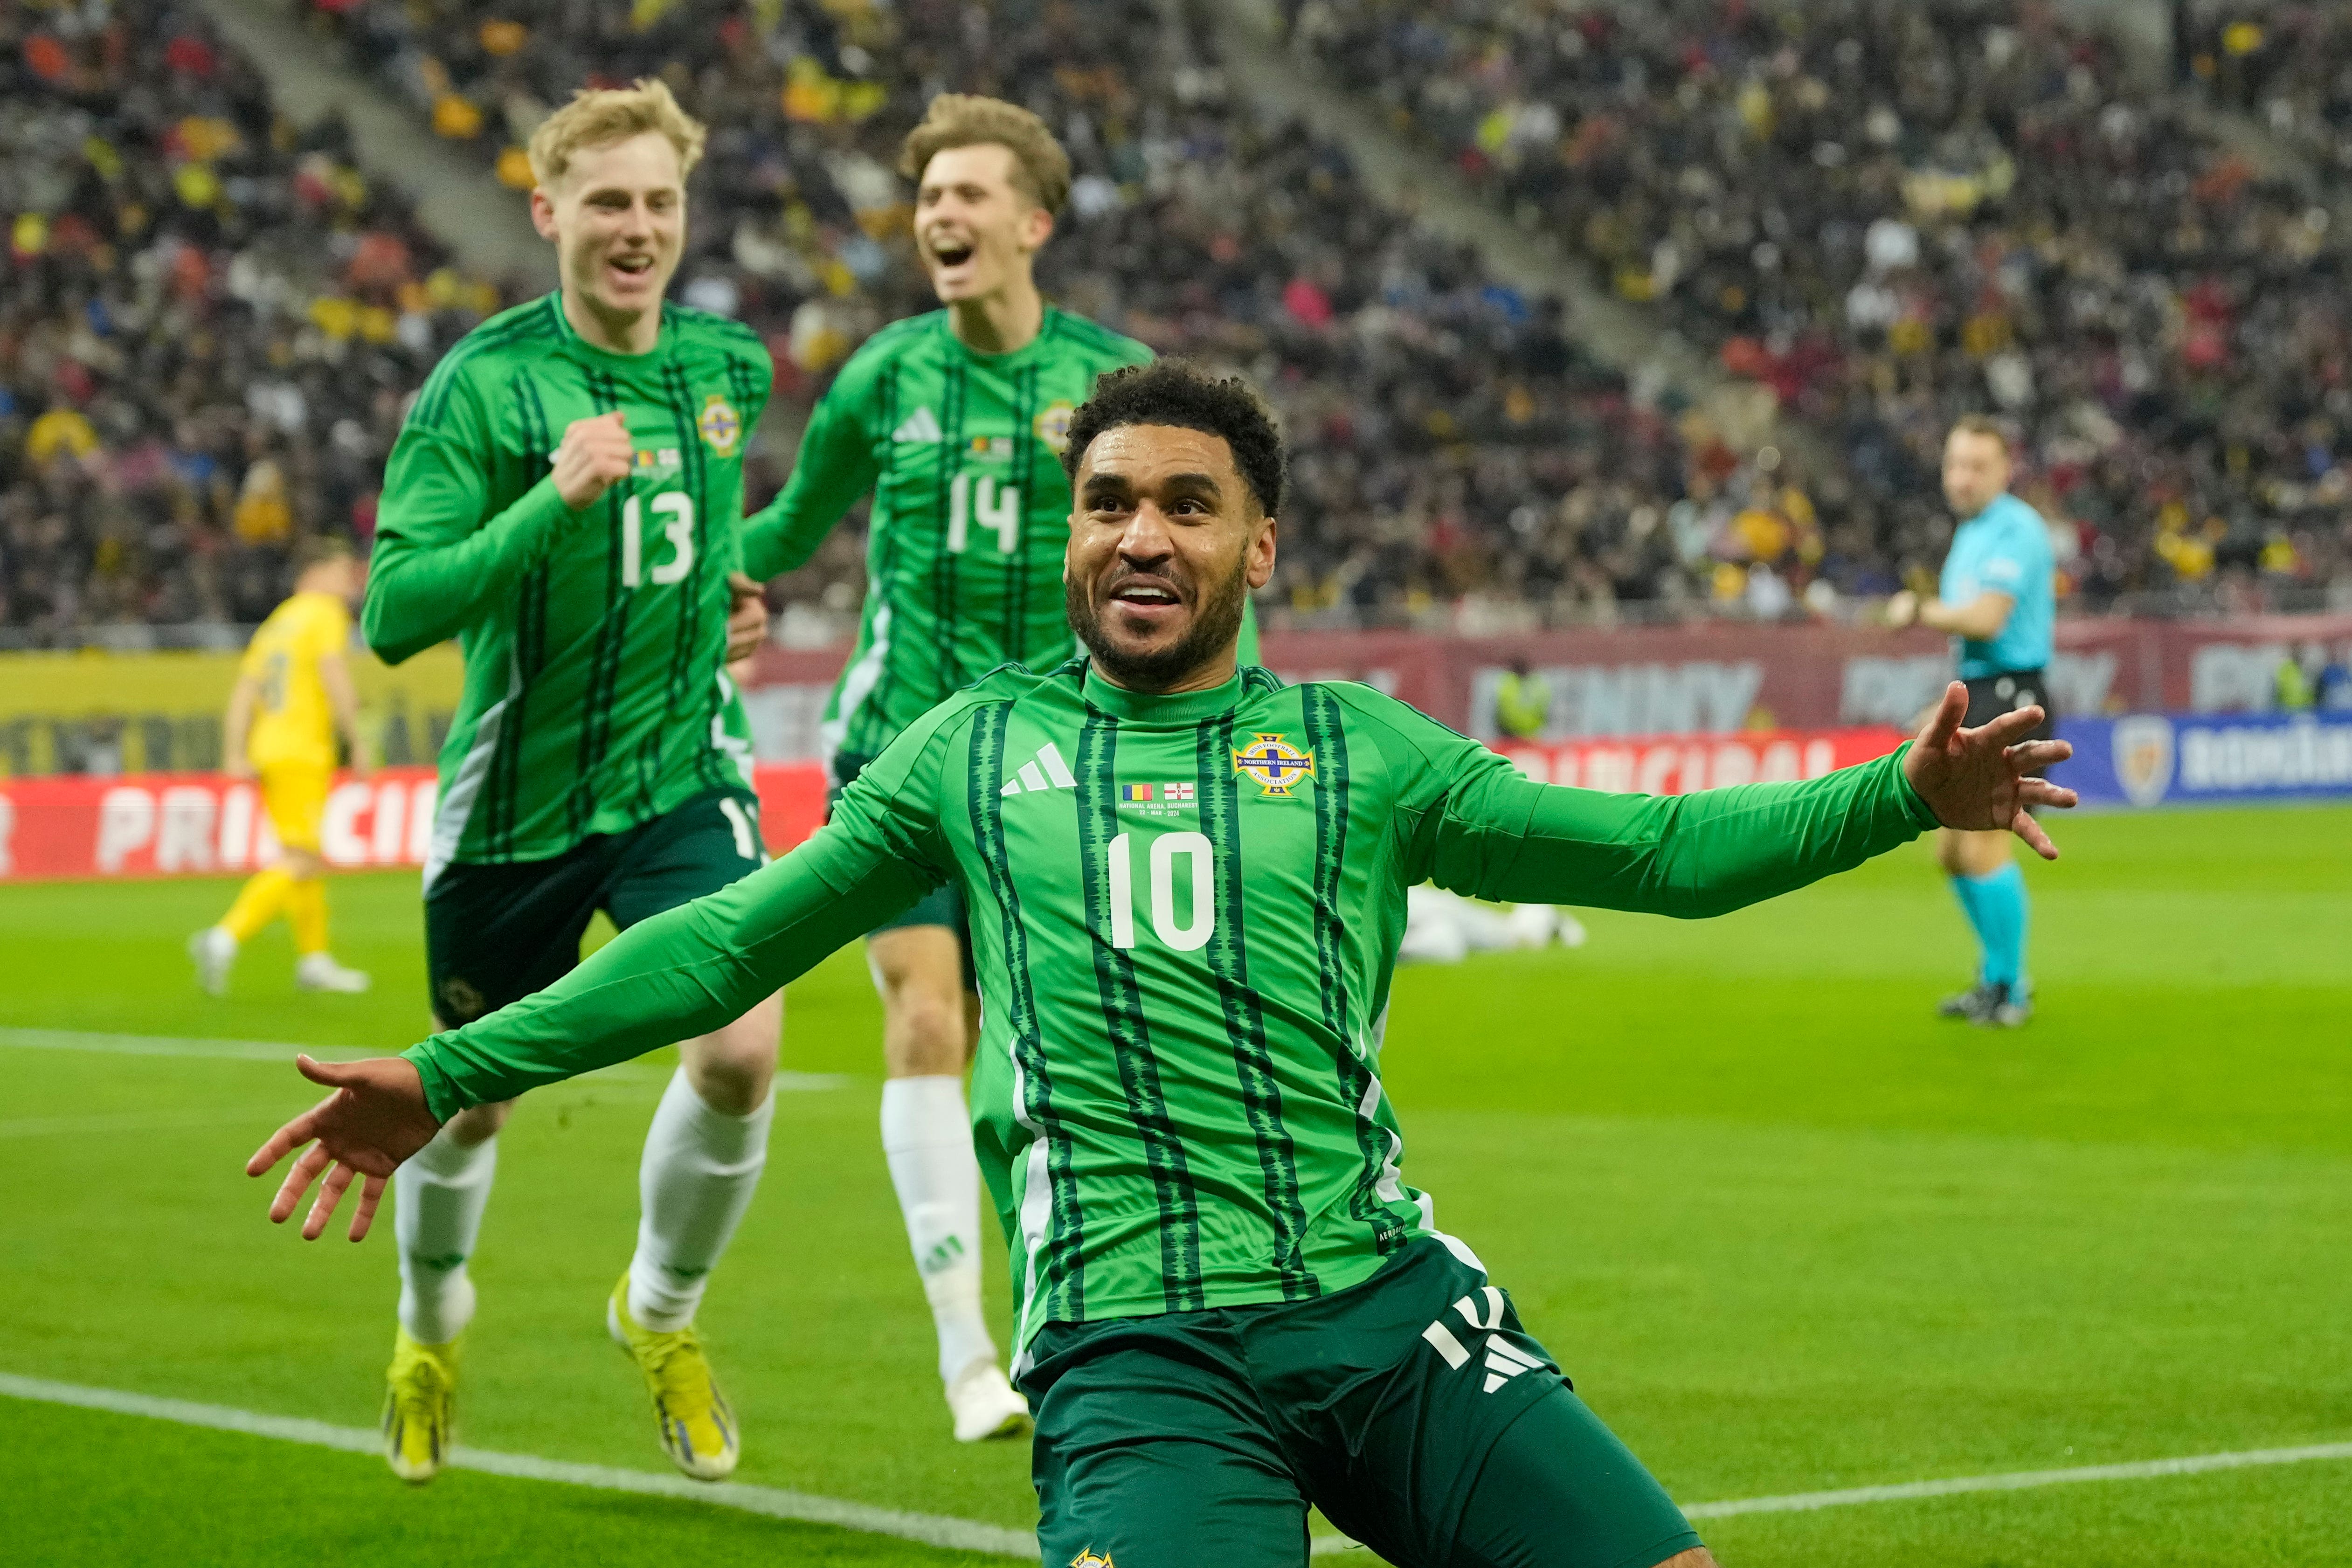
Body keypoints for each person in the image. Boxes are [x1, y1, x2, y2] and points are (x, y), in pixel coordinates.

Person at [251, 362, 2074, 1567]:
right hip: (1137, 1349)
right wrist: (455, 1068)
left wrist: (1890, 796)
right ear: (1071, 533)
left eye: (1187, 504)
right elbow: (725, 939)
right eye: (1109, 500)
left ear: (1255, 544)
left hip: (1385, 1307)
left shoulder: (1365, 753)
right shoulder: (964, 753)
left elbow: (1662, 854)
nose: (1140, 531)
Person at [735, 93, 1250, 1442]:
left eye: (969, 196)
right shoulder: (881, 376)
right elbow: (790, 527)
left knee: (1035, 1057)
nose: (941, 217)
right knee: (924, 1016)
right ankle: (968, 1355)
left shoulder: (1111, 384)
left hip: (1061, 758)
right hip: (897, 745)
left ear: (1030, 222)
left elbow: (1198, 531)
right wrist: (711, 583)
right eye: (929, 199)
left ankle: (1067, 1318)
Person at [356, 79, 778, 1485]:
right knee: (467, 1096)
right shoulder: (481, 387)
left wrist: (730, 604)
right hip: (515, 813)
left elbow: (700, 546)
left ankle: (657, 1314)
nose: (638, 227)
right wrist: (553, 499)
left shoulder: (729, 367)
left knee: (739, 1044)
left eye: (660, 201)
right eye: (608, 202)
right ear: (548, 215)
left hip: (680, 776)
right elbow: (397, 611)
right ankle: (427, 1324)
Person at [1887, 415, 2057, 1027]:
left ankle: (2010, 987)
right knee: (1951, 852)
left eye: (1977, 466)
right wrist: (1947, 704)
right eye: (1955, 463)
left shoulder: (2016, 529)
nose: (1961, 477)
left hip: (2013, 697)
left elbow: (1987, 622)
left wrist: (1916, 608)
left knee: (1981, 845)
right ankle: (1995, 978)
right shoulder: (1973, 531)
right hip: (1987, 691)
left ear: (2005, 470)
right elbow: (1973, 648)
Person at [190, 536, 374, 996]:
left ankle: (315, 960)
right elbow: (334, 674)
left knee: (305, 858)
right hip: (302, 749)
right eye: (340, 571)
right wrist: (357, 740)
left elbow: (244, 692)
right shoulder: (323, 615)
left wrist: (235, 752)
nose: (350, 583)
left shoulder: (277, 624)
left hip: (269, 748)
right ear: (312, 574)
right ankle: (224, 936)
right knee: (302, 858)